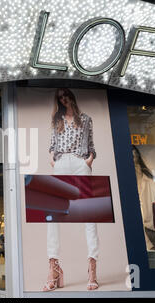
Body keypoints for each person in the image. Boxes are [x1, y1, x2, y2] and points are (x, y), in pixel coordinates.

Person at [44, 88, 99, 291]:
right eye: (60, 98)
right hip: (61, 163)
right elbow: (52, 145)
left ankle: (92, 268)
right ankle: (53, 267)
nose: (63, 100)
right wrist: (52, 160)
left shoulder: (86, 119)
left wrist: (89, 160)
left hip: (79, 162)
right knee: (53, 214)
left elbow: (91, 144)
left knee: (90, 214)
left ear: (72, 97)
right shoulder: (56, 121)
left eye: (66, 96)